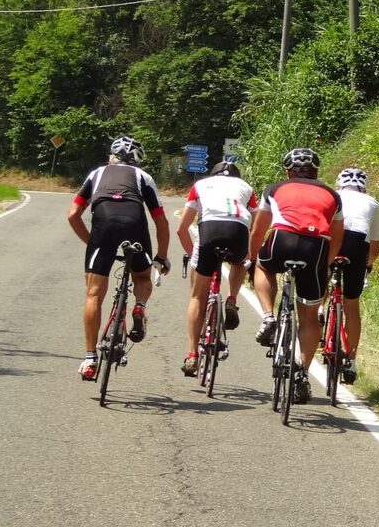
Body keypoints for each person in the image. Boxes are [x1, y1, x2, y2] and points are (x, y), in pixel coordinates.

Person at [67, 135, 171, 380]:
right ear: (138, 161)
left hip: (103, 225)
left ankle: (90, 358)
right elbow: (160, 220)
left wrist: (92, 243)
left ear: (111, 157)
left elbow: (73, 214)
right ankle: (139, 306)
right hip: (134, 223)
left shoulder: (97, 174)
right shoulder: (143, 177)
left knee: (93, 294)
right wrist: (162, 256)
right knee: (142, 276)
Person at [248, 148, 343, 404]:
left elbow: (259, 229)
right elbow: (337, 236)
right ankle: (301, 371)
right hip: (317, 247)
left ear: (288, 171)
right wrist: (327, 264)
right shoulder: (332, 194)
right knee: (310, 317)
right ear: (316, 172)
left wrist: (252, 257)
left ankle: (268, 317)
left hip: (283, 239)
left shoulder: (275, 188)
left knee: (264, 266)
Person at [175, 160, 257, 377]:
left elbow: (182, 229)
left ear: (213, 174)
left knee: (196, 298)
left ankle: (192, 354)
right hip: (238, 231)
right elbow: (256, 223)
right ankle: (232, 299)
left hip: (209, 231)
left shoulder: (201, 185)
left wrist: (194, 254)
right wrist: (251, 253)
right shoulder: (246, 188)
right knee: (240, 261)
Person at [332, 167, 379, 384]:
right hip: (357, 243)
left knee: (317, 288)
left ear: (339, 184)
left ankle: (321, 313)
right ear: (364, 187)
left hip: (333, 238)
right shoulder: (373, 203)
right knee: (351, 305)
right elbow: (375, 247)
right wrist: (367, 265)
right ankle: (351, 361)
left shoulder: (333, 196)